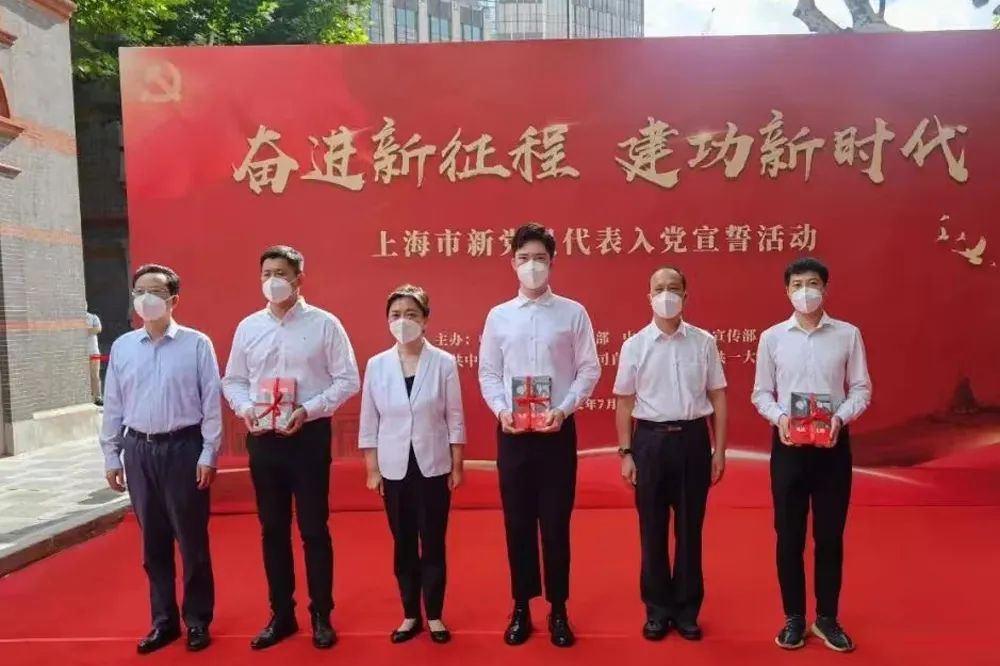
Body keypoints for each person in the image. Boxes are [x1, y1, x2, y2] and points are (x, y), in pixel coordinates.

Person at [222, 245, 360, 651]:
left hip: (308, 436)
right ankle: (281, 614)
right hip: (264, 439)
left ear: (300, 278)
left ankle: (321, 614)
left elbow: (348, 379)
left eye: (281, 273)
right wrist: (245, 408)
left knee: (314, 529)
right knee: (272, 529)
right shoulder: (248, 327)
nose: (273, 281)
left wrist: (309, 409)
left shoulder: (324, 324)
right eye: (266, 273)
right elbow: (233, 380)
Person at [478, 223, 601, 648]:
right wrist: (501, 410)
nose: (532, 266)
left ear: (552, 262)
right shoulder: (498, 316)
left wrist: (563, 409)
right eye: (524, 258)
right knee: (517, 523)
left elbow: (589, 369)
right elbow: (489, 372)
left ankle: (559, 609)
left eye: (540, 259)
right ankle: (521, 607)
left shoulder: (573, 313)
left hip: (556, 432)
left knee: (555, 524)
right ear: (512, 262)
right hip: (513, 434)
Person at [751, 257, 872, 653]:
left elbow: (861, 388)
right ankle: (794, 617)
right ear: (787, 291)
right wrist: (780, 419)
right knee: (788, 536)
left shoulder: (847, 334)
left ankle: (827, 618)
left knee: (830, 536)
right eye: (798, 284)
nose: (806, 291)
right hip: (788, 448)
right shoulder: (772, 338)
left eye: (813, 283)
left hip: (833, 447)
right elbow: (761, 393)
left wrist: (839, 417)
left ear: (825, 288)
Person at [99, 264, 221, 654]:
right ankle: (163, 621)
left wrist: (209, 452)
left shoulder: (196, 344)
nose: (145, 298)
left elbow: (211, 403)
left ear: (174, 300)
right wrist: (111, 454)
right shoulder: (123, 347)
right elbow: (113, 404)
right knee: (153, 542)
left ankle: (197, 620)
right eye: (139, 291)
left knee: (191, 540)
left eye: (154, 291)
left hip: (184, 448)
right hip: (138, 450)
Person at [613, 267, 727, 642]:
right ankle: (657, 610)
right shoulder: (634, 345)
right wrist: (626, 452)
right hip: (650, 442)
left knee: (690, 530)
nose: (666, 295)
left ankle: (687, 610)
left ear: (685, 296)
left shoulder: (703, 342)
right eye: (659, 289)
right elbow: (624, 403)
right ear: (649, 296)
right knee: (652, 529)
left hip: (693, 440)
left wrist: (719, 450)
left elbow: (718, 397)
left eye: (673, 288)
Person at [358, 285, 466, 645]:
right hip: (394, 468)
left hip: (433, 465)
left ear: (425, 319)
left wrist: (457, 464)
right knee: (403, 542)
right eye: (396, 315)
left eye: (411, 315)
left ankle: (434, 614)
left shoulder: (444, 362)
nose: (403, 321)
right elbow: (369, 420)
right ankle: (410, 614)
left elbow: (455, 416)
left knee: (432, 541)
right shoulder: (377, 365)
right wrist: (372, 469)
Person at [86, 304, 103, 405]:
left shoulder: (93, 317)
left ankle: (98, 397)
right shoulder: (76, 319)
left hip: (93, 351)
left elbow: (98, 329)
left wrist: (83, 331)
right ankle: (88, 397)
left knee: (95, 375)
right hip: (80, 354)